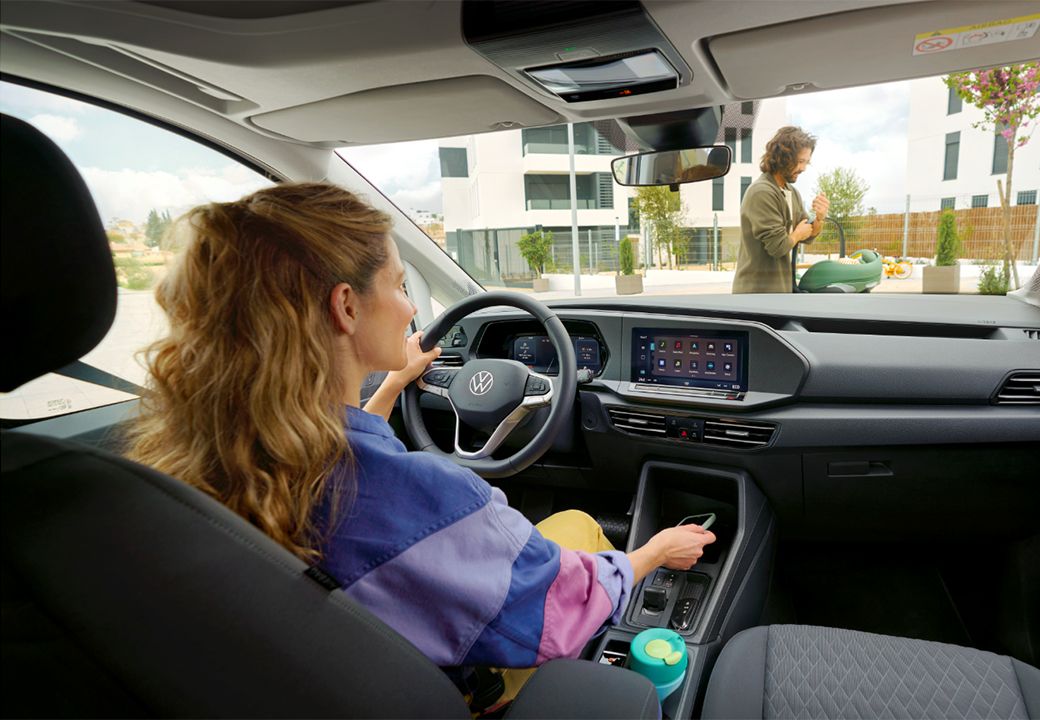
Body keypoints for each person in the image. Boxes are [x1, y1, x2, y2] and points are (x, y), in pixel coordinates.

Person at [127, 183, 715, 708]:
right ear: (346, 306)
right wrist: (654, 553)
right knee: (580, 525)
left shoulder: (187, 461)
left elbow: (343, 438)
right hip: (444, 687)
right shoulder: (431, 500)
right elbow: (557, 612)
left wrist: (393, 384)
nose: (411, 309)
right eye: (401, 286)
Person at [733, 126, 830, 293]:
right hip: (755, 295)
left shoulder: (791, 192)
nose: (804, 168)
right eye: (800, 161)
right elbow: (778, 247)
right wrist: (798, 234)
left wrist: (820, 218)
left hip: (778, 292)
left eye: (807, 162)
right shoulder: (762, 192)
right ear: (783, 158)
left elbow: (808, 235)